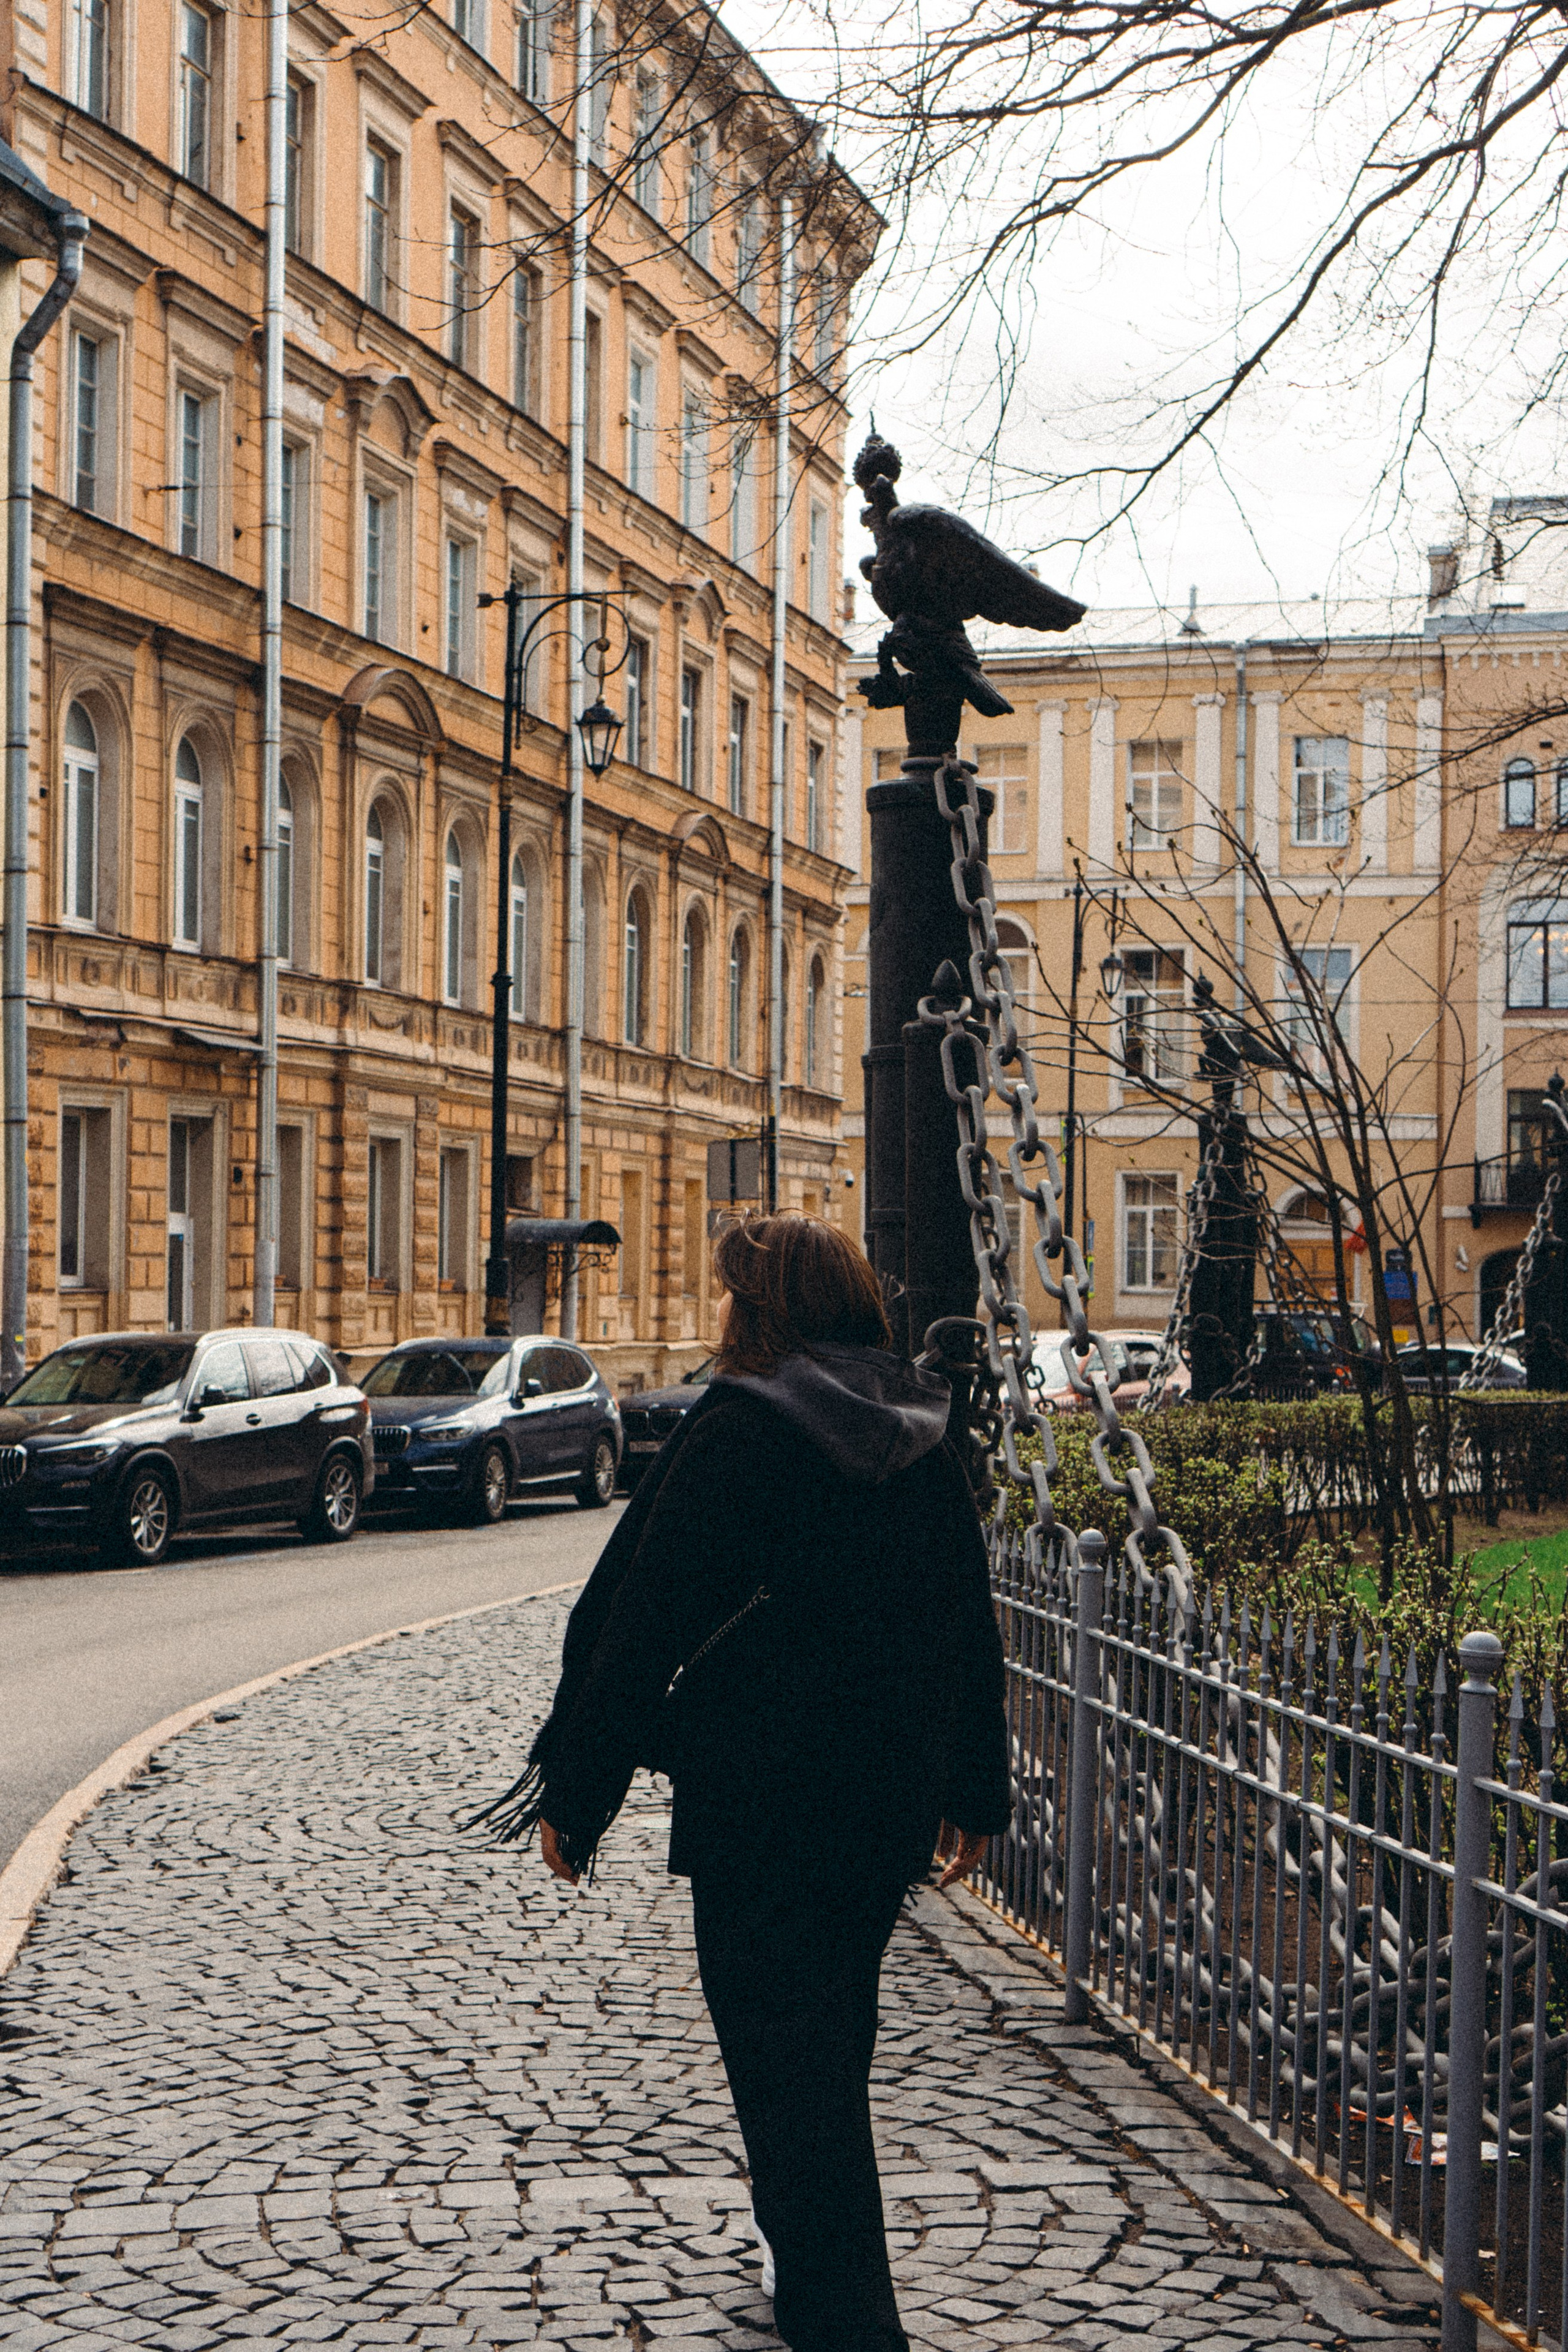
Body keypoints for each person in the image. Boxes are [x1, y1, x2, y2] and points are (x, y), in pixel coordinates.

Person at [475, 1213, 1010, 2352]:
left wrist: (578, 1788)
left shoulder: (745, 1433)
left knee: (793, 2083)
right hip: (882, 1815)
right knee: (823, 2058)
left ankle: (850, 2326)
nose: (720, 1317)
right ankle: (808, 2276)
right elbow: (966, 1617)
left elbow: (638, 1618)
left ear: (759, 1312)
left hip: (762, 1815)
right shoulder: (919, 1429)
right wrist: (973, 1786)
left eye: (731, 1298)